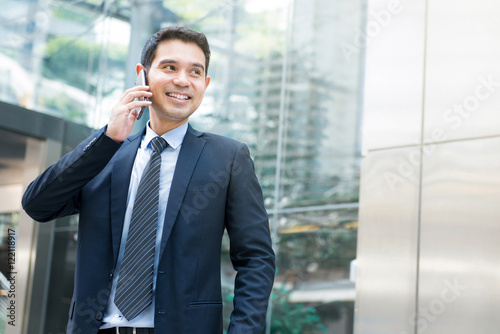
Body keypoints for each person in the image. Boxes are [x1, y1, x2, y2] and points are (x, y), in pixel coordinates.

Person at [22, 26, 275, 334]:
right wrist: (106, 139)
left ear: (205, 84)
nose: (183, 80)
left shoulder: (228, 158)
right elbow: (38, 205)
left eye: (195, 72)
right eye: (170, 67)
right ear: (142, 75)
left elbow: (256, 259)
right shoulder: (106, 154)